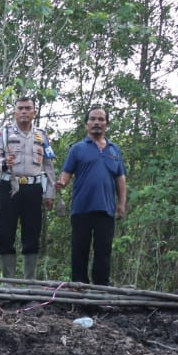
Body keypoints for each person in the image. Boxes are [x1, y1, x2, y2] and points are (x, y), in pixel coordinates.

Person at [55, 106, 127, 286]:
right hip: (81, 208)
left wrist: (121, 204)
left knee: (103, 252)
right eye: (93, 119)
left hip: (106, 208)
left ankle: (101, 289)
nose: (97, 122)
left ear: (107, 125)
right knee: (80, 250)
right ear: (86, 124)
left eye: (101, 119)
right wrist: (61, 183)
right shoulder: (77, 149)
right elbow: (66, 173)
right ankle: (79, 288)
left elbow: (120, 177)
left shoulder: (114, 150)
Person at [0, 96, 57, 279]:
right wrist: (3, 162)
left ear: (34, 112)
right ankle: (8, 282)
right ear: (14, 112)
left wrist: (50, 192)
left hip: (33, 189)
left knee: (32, 233)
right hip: (9, 186)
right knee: (5, 232)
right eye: (21, 108)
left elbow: (48, 166)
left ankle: (30, 281)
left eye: (28, 108)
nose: (24, 112)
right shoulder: (3, 133)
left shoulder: (42, 135)